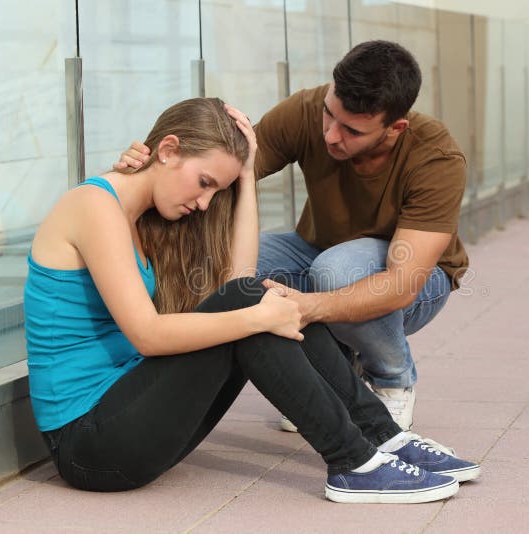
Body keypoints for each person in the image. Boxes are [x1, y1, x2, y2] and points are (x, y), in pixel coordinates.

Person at [25, 97, 480, 505]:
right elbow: (147, 335)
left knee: (262, 296)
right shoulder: (93, 207)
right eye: (204, 182)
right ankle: (353, 461)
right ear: (167, 151)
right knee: (254, 309)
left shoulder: (141, 216)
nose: (204, 204)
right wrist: (257, 314)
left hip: (130, 416)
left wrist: (245, 176)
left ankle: (383, 437)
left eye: (215, 191)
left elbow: (239, 280)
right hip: (88, 444)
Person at [117, 41, 470, 434]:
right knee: (230, 269)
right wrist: (148, 170)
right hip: (315, 252)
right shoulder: (305, 109)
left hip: (417, 281)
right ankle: (335, 367)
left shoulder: (435, 157)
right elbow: (231, 172)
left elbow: (400, 284)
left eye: (351, 130)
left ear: (395, 128)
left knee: (336, 273)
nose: (331, 135)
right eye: (329, 115)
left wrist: (306, 308)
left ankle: (391, 380)